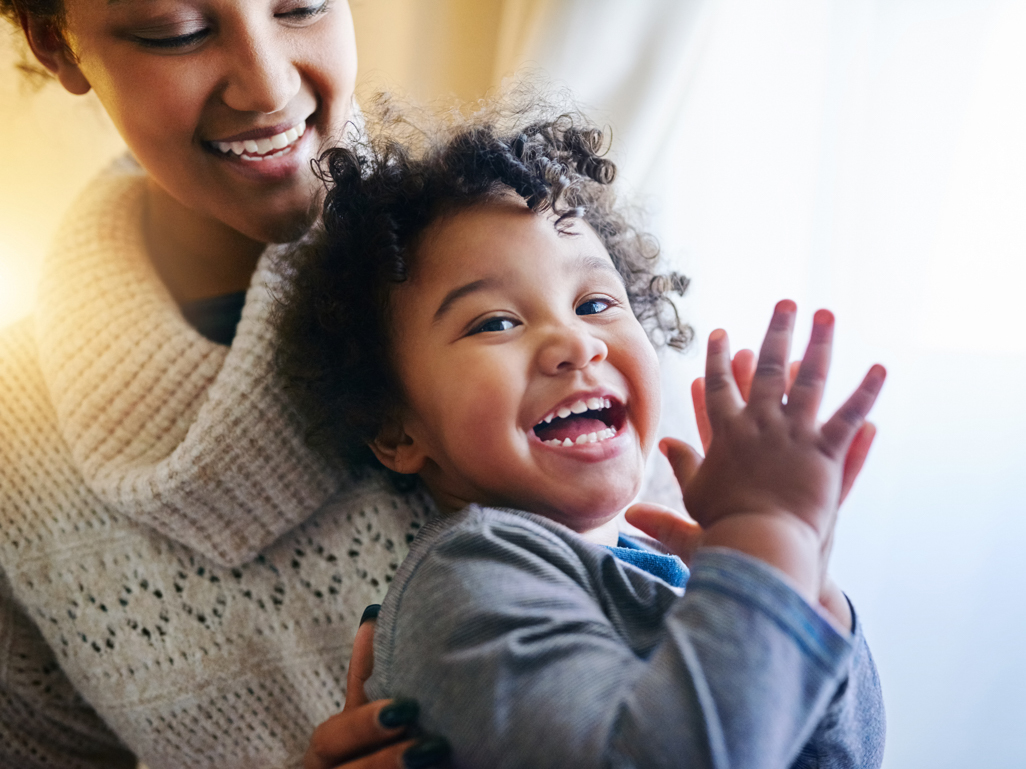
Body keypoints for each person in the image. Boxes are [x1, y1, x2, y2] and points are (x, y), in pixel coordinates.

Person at [275, 101, 888, 768]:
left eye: (595, 304)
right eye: (494, 322)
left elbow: (840, 757)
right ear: (395, 427)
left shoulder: (670, 571)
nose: (575, 342)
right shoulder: (467, 578)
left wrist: (808, 593)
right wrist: (764, 534)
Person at [0, 1, 448, 767]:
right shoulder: (17, 451)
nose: (270, 88)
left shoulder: (540, 272)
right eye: (177, 32)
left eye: (302, 6)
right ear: (57, 44)